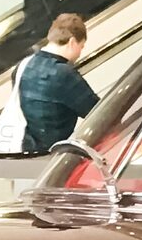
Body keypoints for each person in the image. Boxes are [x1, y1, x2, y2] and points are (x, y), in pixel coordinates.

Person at [17, 13, 98, 154]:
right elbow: (96, 111)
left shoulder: (24, 66)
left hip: (29, 150)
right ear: (72, 42)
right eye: (81, 46)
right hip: (57, 154)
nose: (80, 53)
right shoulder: (62, 74)